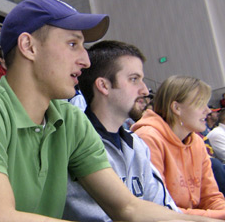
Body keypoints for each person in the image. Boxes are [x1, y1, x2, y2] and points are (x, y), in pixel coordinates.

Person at [0, 0, 219, 222]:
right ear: (29, 47)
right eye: (72, 44)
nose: (86, 61)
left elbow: (127, 208)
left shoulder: (69, 119)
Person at [63, 40, 180, 222]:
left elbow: (165, 209)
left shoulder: (137, 144)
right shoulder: (73, 143)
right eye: (134, 79)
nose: (144, 91)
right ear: (104, 86)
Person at [131, 75, 225, 219]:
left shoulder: (196, 142)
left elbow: (211, 197)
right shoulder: (148, 138)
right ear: (176, 108)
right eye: (201, 104)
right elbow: (159, 209)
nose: (208, 111)